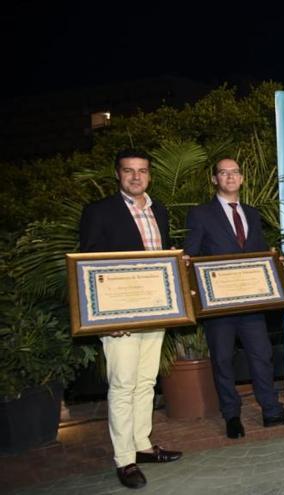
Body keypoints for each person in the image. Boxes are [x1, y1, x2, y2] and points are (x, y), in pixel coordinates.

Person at [79, 149, 182, 489]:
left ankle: (142, 445)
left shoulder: (159, 211)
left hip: (155, 311)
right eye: (129, 171)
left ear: (149, 175)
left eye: (142, 171)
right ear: (118, 174)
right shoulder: (99, 212)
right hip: (120, 317)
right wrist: (107, 317)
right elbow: (90, 267)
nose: (136, 177)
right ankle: (124, 460)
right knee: (123, 385)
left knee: (146, 382)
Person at [184, 158, 284, 440]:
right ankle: (231, 415)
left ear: (241, 179)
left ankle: (271, 411)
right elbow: (191, 254)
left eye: (235, 172)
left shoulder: (252, 214)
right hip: (219, 305)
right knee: (223, 359)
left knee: (261, 356)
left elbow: (260, 254)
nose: (230, 177)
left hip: (253, 302)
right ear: (215, 179)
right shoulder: (200, 214)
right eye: (223, 173)